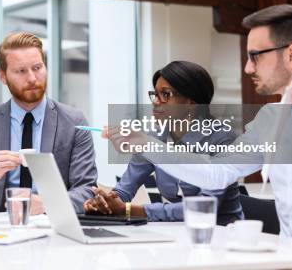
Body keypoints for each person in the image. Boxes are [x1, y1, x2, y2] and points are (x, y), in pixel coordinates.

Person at [113, 5, 292, 246]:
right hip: (289, 259)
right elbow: (216, 173)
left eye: (255, 56)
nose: (248, 67)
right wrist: (144, 144)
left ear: (291, 55)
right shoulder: (270, 119)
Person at [84, 61, 243, 225]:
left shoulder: (222, 139)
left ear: (191, 103)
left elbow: (202, 209)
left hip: (221, 234)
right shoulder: (155, 137)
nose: (156, 101)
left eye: (166, 95)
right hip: (175, 232)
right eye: (155, 94)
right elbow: (125, 188)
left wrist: (129, 210)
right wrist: (107, 202)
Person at [0, 32, 97, 214]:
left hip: (54, 227)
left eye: (37, 67)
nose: (33, 78)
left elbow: (87, 190)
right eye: (21, 71)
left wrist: (47, 203)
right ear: (3, 77)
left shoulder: (74, 122)